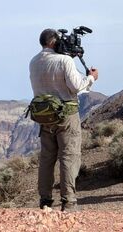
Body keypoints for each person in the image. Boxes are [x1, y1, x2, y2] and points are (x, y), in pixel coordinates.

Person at [29, 28, 98, 211]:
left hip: (44, 116)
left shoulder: (33, 62)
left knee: (47, 159)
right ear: (52, 42)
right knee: (68, 156)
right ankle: (69, 202)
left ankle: (45, 201)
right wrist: (91, 78)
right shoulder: (64, 60)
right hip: (66, 115)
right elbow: (76, 86)